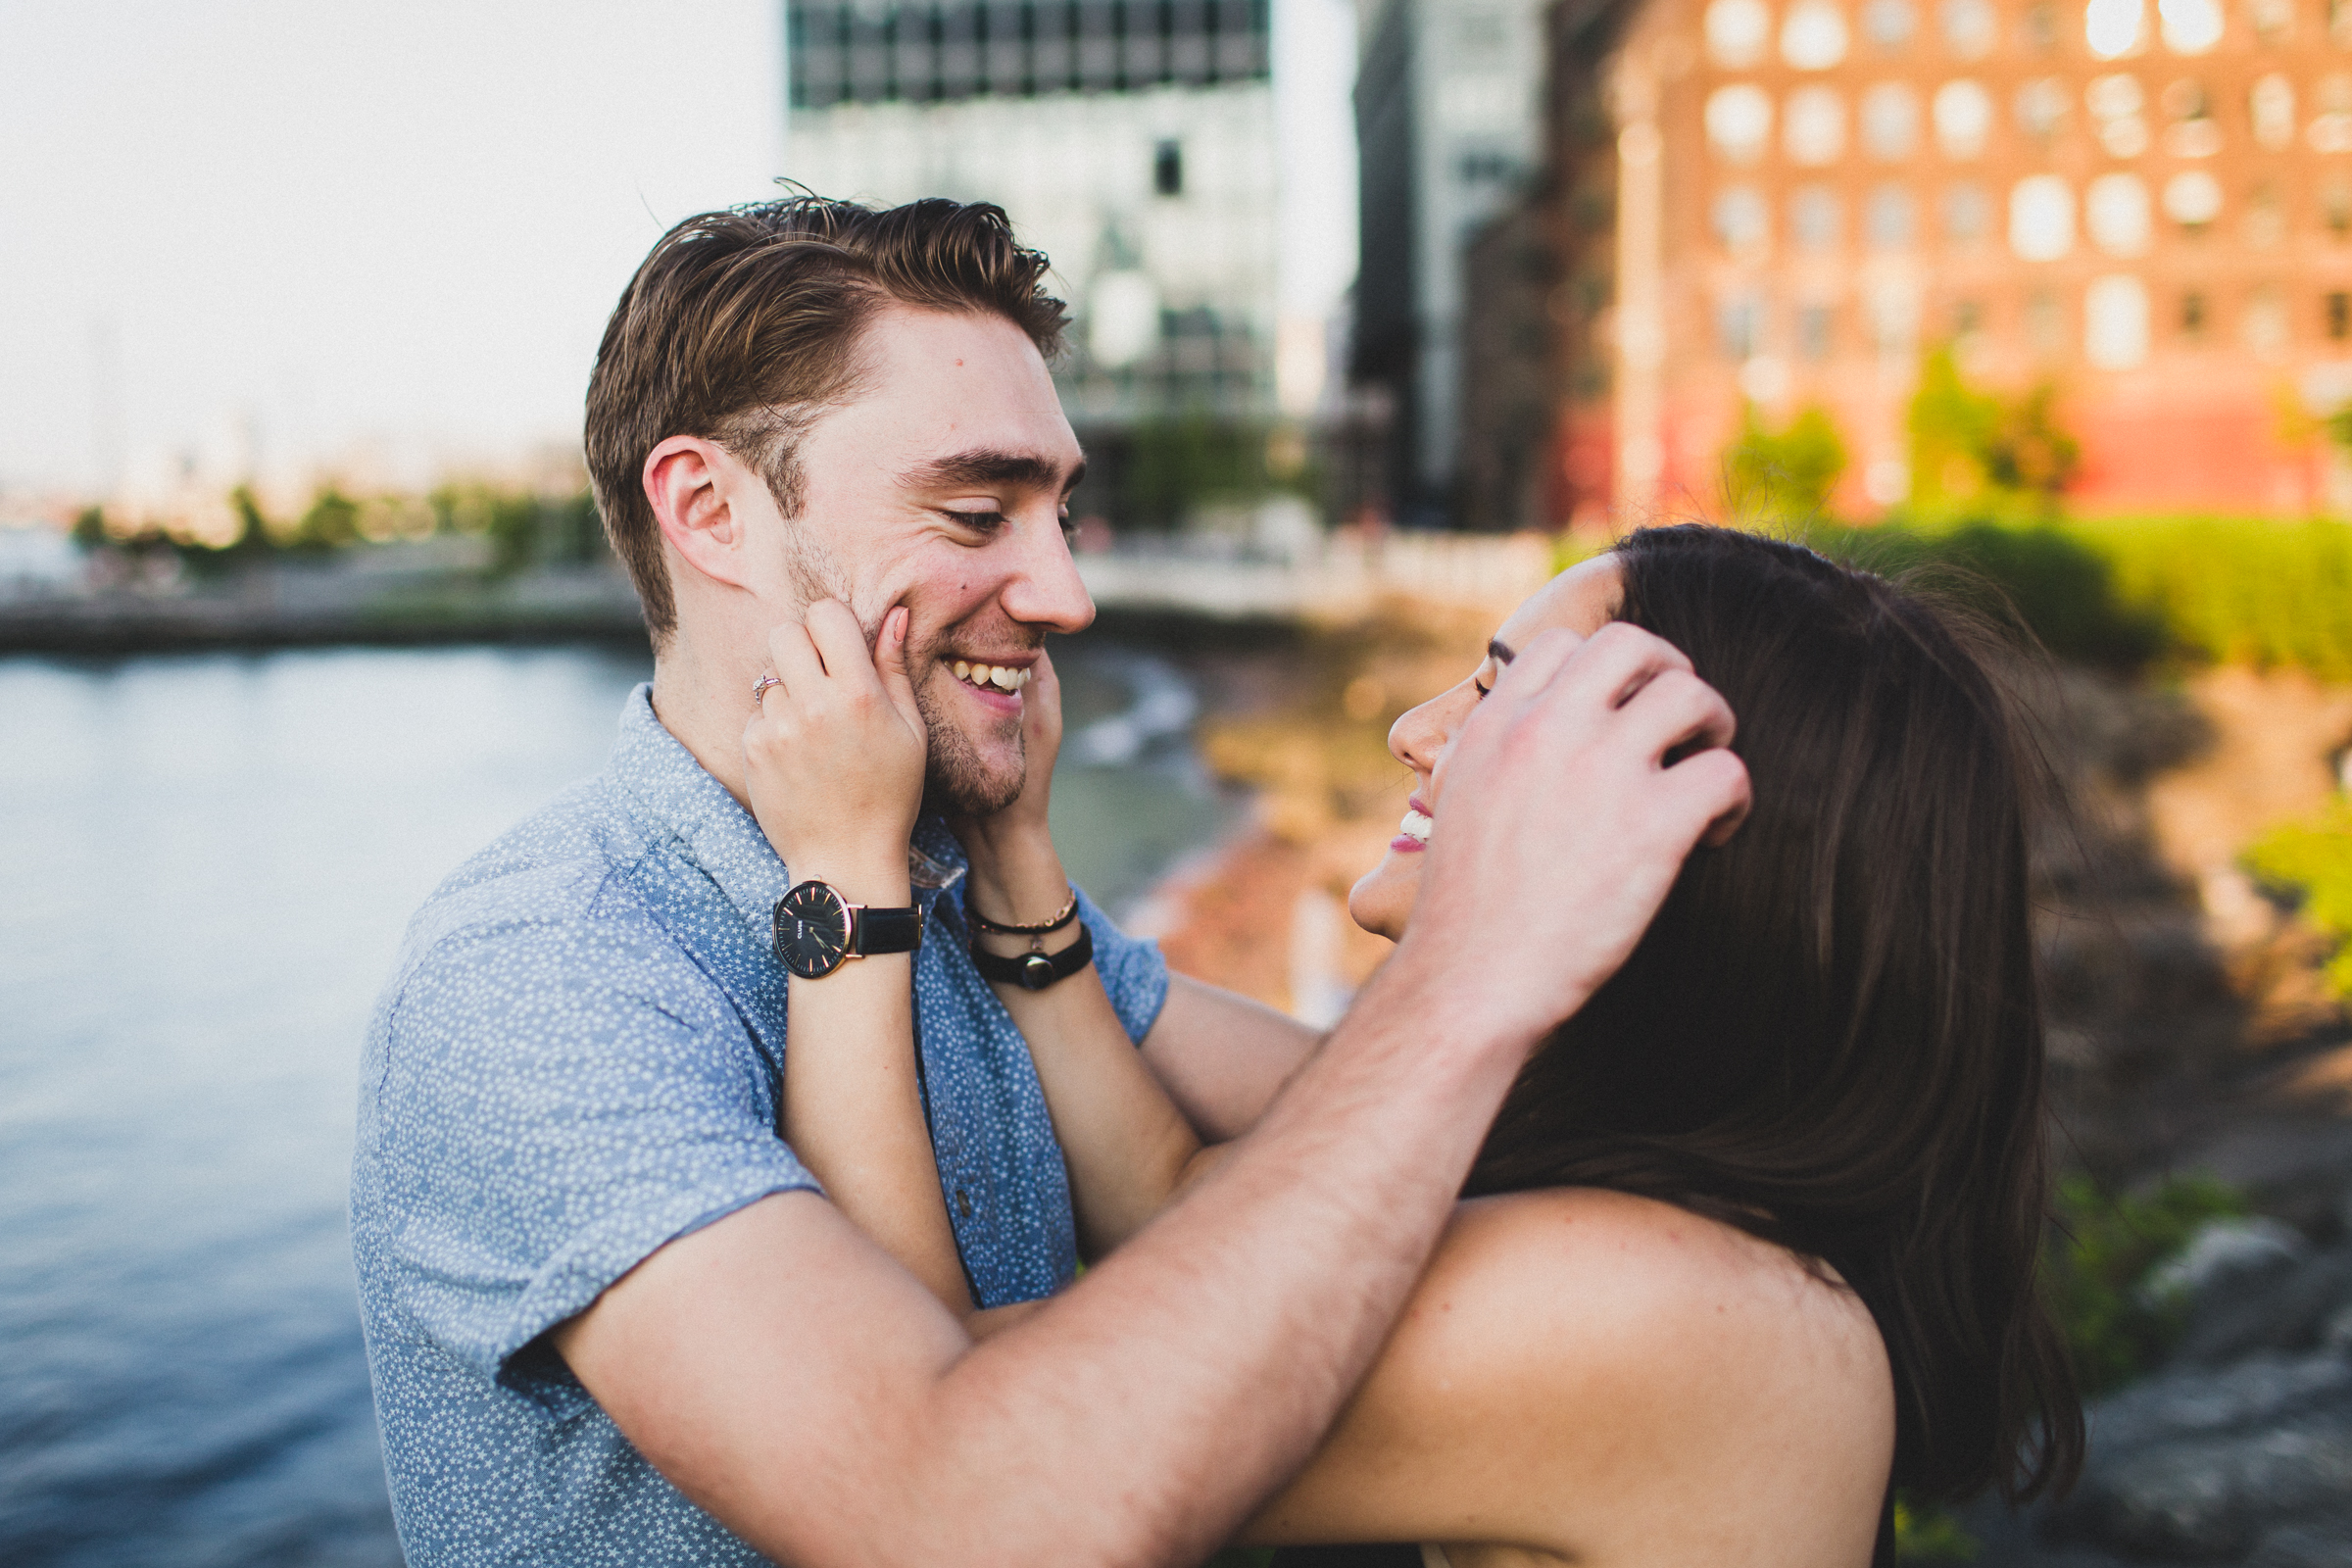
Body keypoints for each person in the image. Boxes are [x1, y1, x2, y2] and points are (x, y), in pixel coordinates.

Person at [347, 194, 1751, 1567]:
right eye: (975, 512)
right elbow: (938, 1509)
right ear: (709, 511)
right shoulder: (539, 978)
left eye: (1058, 515)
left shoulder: (958, 883)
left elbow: (1371, 1157)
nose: (1068, 594)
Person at [760, 525, 2086, 1566]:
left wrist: (843, 874)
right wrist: (1014, 848)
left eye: (1503, 694)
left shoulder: (1671, 1308)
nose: (1415, 729)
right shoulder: (1643, 1200)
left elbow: (943, 1473)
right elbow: (1189, 1209)